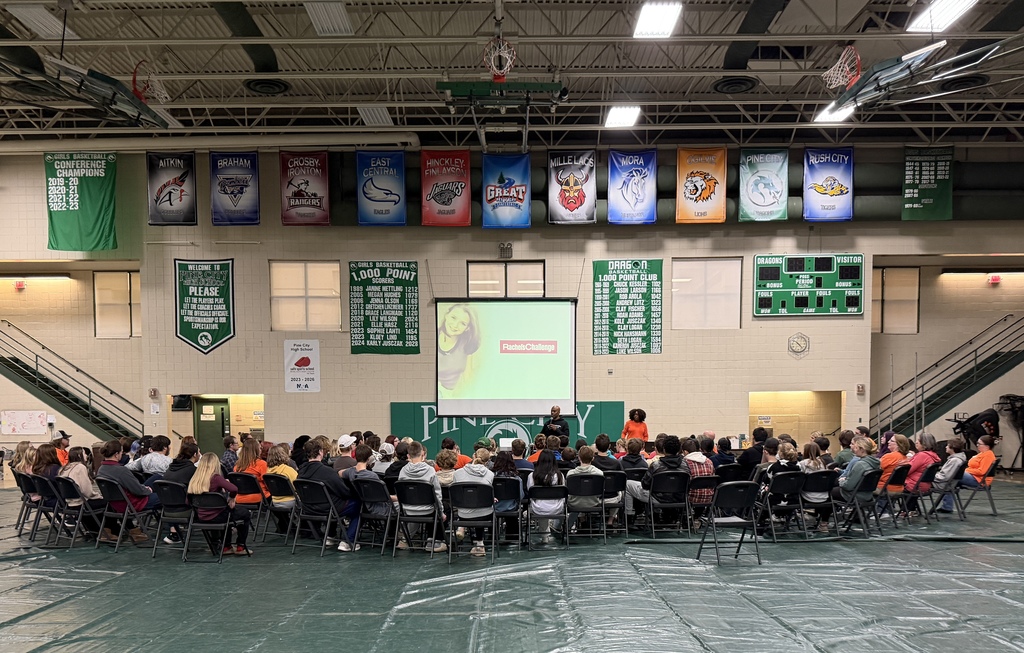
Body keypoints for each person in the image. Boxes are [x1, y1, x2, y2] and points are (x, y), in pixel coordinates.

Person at [297, 439, 360, 551]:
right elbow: (344, 492)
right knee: (358, 505)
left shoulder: (300, 473)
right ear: (321, 452)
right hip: (328, 508)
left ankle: (331, 536)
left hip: (308, 508)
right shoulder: (327, 472)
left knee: (332, 501)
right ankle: (348, 541)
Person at [187, 452, 252, 556]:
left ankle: (227, 546)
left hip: (201, 517)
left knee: (227, 513)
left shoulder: (195, 479)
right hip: (218, 515)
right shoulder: (215, 478)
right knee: (244, 513)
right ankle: (240, 546)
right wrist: (231, 498)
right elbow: (234, 488)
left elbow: (188, 501)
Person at [96, 440, 157, 543]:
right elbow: (137, 490)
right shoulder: (121, 470)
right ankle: (174, 532)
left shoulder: (101, 469)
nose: (122, 454)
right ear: (116, 454)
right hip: (131, 504)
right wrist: (148, 490)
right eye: (121, 452)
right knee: (162, 497)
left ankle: (133, 531)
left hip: (114, 504)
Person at [397, 440, 446, 552]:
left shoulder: (403, 471)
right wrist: (441, 512)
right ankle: (434, 541)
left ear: (408, 456)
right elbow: (437, 496)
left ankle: (405, 539)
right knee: (443, 509)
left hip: (407, 510)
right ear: (423, 454)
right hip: (427, 509)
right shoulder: (430, 471)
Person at [625, 435, 686, 519]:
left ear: (664, 449)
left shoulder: (656, 465)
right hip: (679, 498)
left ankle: (628, 516)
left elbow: (645, 484)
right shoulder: (685, 466)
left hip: (657, 498)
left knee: (628, 484)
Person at [452, 448, 494, 556]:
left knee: (469, 505)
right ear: (487, 461)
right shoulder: (490, 475)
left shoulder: (457, 474)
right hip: (485, 514)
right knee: (479, 506)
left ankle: (461, 527)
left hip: (463, 514)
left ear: (473, 456)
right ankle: (479, 544)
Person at [437, 303, 480, 394]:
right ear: (446, 315)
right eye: (453, 318)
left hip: (450, 396)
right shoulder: (430, 336)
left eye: (463, 323)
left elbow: (468, 375)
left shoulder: (467, 344)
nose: (455, 325)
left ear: (467, 328)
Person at [527, 450, 566, 544]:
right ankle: (550, 530)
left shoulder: (532, 476)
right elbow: (563, 494)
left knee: (540, 505)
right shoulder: (560, 476)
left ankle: (545, 536)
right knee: (544, 505)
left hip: (538, 509)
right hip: (557, 508)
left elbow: (530, 493)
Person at [833, 436, 880, 504]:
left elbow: (848, 486)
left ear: (862, 449)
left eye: (856, 447)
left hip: (854, 495)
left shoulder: (860, 465)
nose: (854, 449)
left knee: (828, 492)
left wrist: (841, 481)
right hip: (868, 495)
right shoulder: (875, 463)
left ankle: (825, 514)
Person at [798, 441, 832, 531]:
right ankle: (824, 524)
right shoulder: (824, 463)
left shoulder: (802, 464)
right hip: (824, 496)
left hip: (806, 496)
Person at [904, 432, 940, 514]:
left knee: (889, 484)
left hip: (914, 485)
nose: (916, 442)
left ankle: (885, 511)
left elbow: (907, 470)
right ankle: (911, 509)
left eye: (918, 440)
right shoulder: (933, 455)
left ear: (924, 444)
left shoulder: (922, 456)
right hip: (924, 485)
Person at [266, 444, 298, 534]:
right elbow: (297, 485)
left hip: (275, 501)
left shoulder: (268, 471)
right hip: (291, 501)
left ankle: (285, 526)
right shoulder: (288, 470)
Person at [683, 438, 715, 524]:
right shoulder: (709, 462)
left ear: (685, 452)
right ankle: (696, 517)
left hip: (690, 498)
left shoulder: (685, 463)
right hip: (709, 497)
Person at [934, 438, 968, 512]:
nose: (946, 447)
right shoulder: (960, 458)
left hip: (942, 484)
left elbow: (944, 477)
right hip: (949, 483)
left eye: (947, 446)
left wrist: (931, 476)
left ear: (952, 448)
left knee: (917, 483)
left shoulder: (954, 461)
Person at [233, 438, 270, 505]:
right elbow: (268, 484)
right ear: (256, 450)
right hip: (259, 498)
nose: (260, 450)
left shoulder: (237, 466)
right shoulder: (262, 464)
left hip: (239, 498)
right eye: (260, 448)